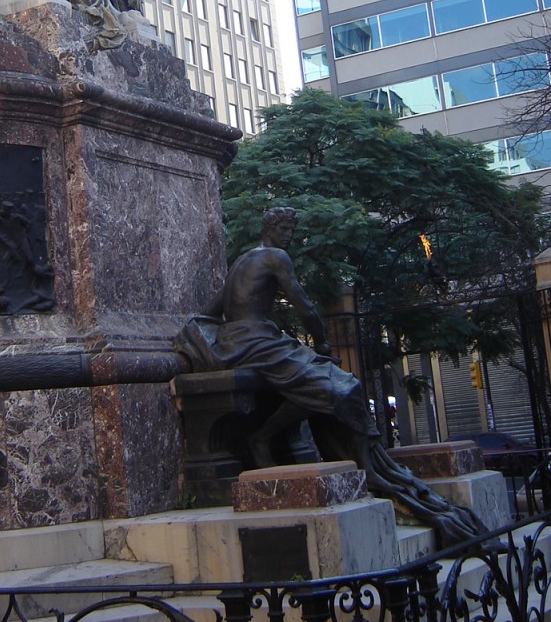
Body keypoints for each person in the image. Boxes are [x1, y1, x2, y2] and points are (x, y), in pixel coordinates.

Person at [177, 207, 485, 546]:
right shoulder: (275, 257)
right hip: (255, 341)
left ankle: (284, 441)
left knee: (334, 382)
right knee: (334, 387)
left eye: (291, 228)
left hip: (245, 340)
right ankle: (267, 438)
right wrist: (322, 341)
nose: (288, 234)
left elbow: (209, 312)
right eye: (283, 227)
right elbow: (303, 304)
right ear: (269, 229)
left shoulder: (243, 261)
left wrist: (205, 340)